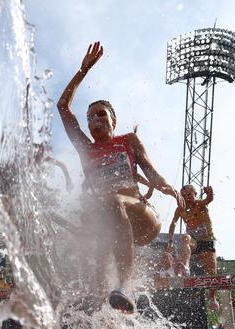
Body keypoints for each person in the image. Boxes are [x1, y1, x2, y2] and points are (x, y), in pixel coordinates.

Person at [57, 41, 183, 305]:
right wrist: (82, 71)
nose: (95, 121)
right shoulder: (86, 150)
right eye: (90, 117)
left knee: (113, 200)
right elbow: (63, 108)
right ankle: (109, 318)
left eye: (101, 115)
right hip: (109, 227)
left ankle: (128, 285)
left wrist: (167, 187)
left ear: (113, 120)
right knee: (100, 289)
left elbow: (151, 172)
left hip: (142, 217)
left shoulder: (129, 141)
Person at [167, 184, 218, 308]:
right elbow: (173, 224)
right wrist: (170, 241)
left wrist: (209, 194)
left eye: (189, 195)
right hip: (193, 241)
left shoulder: (200, 204)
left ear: (195, 194)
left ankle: (212, 298)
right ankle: (185, 267)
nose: (187, 198)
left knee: (212, 273)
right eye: (183, 196)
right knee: (185, 238)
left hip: (206, 241)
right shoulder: (180, 209)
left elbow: (208, 200)